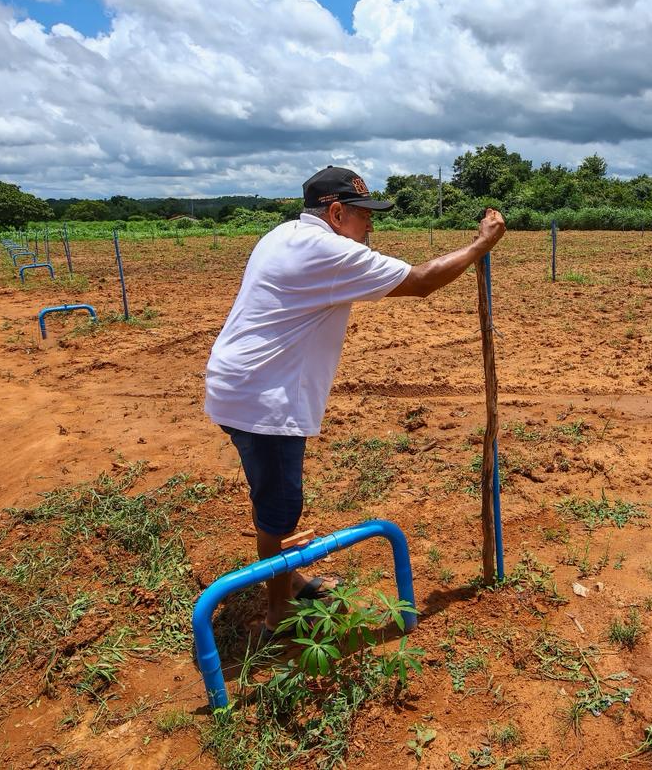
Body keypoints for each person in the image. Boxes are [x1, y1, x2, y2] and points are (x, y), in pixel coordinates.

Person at [205, 165, 506, 637]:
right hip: (264, 401)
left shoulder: (284, 234)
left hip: (239, 385)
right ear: (337, 211)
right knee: (281, 509)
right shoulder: (327, 250)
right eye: (365, 215)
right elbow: (422, 280)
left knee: (270, 497)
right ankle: (279, 612)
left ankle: (288, 577)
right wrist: (479, 245)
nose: (371, 225)